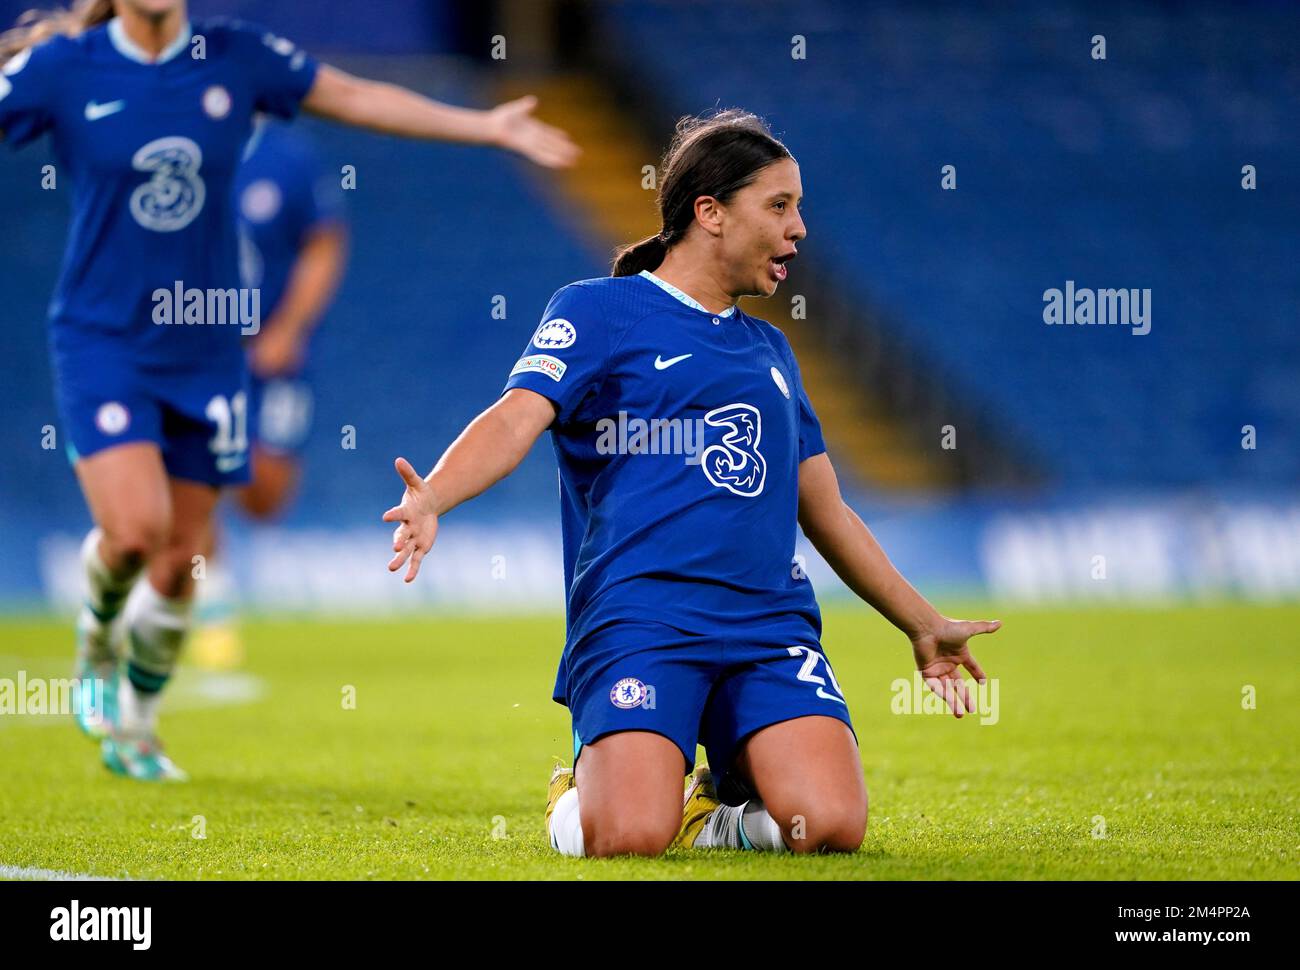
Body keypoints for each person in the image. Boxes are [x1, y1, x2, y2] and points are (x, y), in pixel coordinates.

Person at [383, 109, 1000, 856]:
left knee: (829, 826)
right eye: (779, 206)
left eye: (798, 207)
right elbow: (516, 419)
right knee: (629, 835)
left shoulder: (772, 350)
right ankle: (576, 794)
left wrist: (920, 621)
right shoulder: (598, 311)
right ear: (709, 212)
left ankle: (710, 818)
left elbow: (826, 508)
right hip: (641, 620)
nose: (799, 229)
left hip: (766, 628)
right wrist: (435, 495)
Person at [0, 0, 578, 781]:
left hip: (209, 347)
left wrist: (483, 126)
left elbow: (359, 96)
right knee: (135, 530)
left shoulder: (234, 56)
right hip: (104, 340)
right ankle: (98, 634)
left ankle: (135, 721)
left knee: (181, 563)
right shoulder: (62, 68)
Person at [190, 117, 349, 670]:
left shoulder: (287, 156)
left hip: (274, 357)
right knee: (198, 474)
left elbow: (326, 243)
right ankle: (213, 615)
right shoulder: (181, 146)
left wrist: (289, 327)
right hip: (205, 352)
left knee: (264, 494)